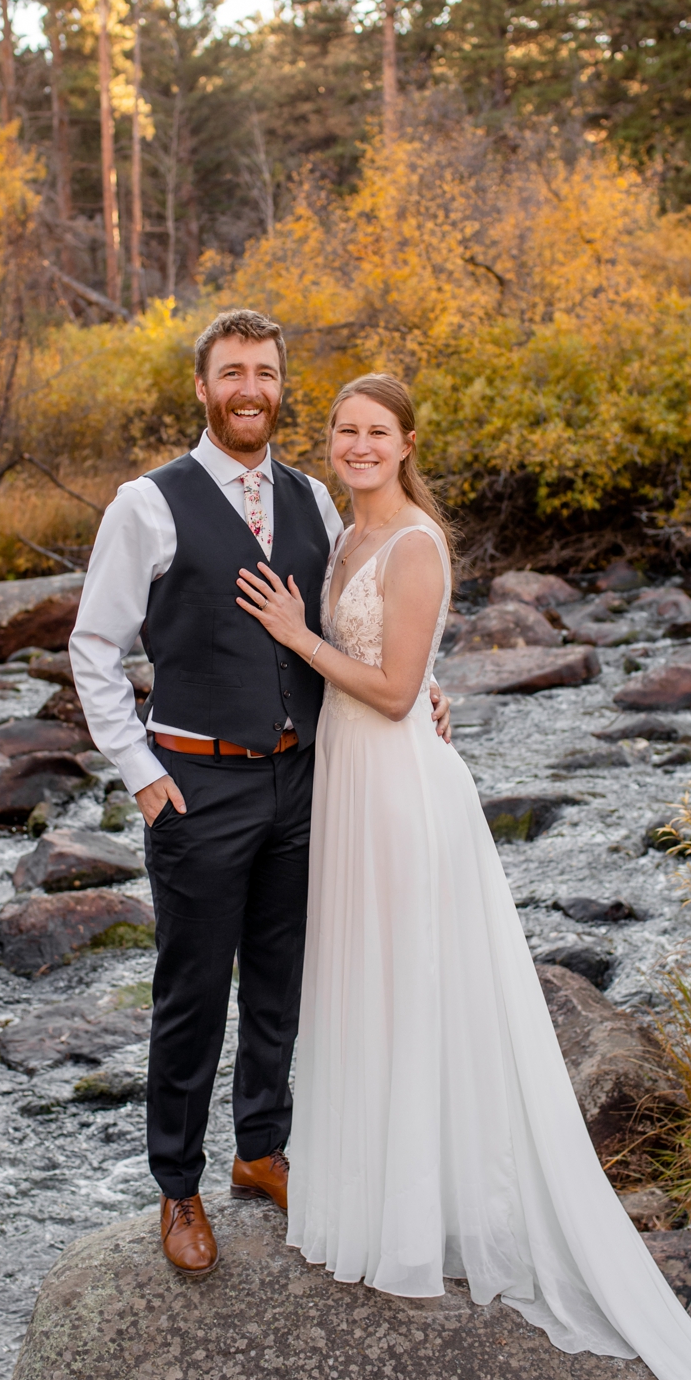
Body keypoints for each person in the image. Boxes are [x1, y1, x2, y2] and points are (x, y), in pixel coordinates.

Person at [231, 372, 691, 1380]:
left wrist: (296, 633)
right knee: (357, 990)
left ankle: (416, 1223)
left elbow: (399, 691)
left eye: (379, 433)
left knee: (411, 993)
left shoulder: (414, 542)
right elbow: (400, 671)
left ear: (408, 444)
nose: (359, 446)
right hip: (346, 784)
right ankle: (369, 1203)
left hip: (400, 789)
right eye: (346, 431)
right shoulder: (334, 525)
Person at [70, 309, 449, 1276]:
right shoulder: (146, 505)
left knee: (282, 981)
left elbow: (345, 627)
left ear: (283, 388)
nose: (251, 388)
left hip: (304, 781)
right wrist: (147, 779)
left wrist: (424, 687)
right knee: (192, 996)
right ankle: (178, 1188)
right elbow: (93, 651)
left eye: (267, 373)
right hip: (195, 785)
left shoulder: (317, 501)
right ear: (203, 388)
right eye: (232, 372)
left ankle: (260, 1151)